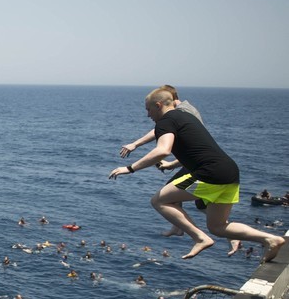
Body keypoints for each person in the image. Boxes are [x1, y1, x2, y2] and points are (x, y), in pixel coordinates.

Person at [110, 87, 285, 261]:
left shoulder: (165, 121)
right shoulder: (186, 116)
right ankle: (270, 239)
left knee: (159, 200)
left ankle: (199, 238)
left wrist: (130, 168)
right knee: (217, 227)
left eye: (148, 110)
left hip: (209, 174)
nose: (148, 115)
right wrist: (168, 163)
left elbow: (162, 150)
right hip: (229, 172)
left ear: (158, 105)